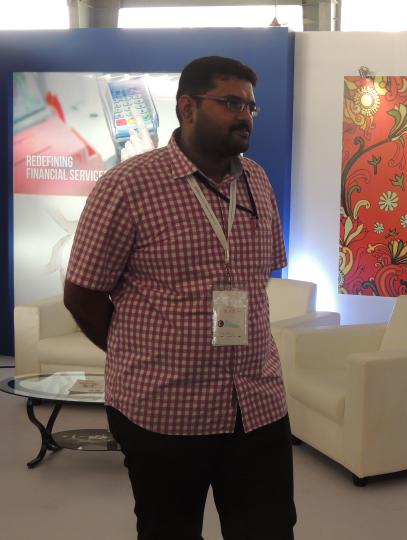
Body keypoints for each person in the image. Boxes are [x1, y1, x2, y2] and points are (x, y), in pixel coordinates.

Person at [63, 56, 296, 540]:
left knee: (269, 529)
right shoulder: (127, 187)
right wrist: (140, 353)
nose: (245, 116)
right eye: (230, 103)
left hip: (256, 404)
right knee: (169, 531)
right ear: (187, 107)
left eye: (251, 106)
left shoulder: (257, 181)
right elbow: (83, 294)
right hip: (164, 408)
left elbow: (261, 276)